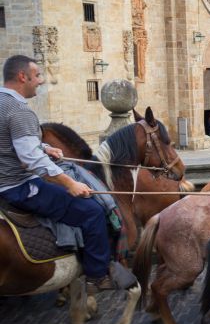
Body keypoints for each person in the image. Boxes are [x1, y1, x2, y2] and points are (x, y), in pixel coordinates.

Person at [0, 55, 125, 293]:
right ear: (22, 77)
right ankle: (97, 276)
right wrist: (70, 184)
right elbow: (31, 160)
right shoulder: (18, 111)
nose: (41, 81)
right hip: (18, 186)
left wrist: (45, 147)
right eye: (37, 75)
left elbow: (8, 142)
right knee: (92, 212)